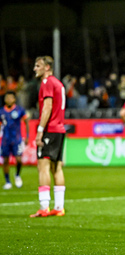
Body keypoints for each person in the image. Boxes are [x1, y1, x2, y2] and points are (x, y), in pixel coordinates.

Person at [30, 56, 66, 218]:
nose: (34, 69)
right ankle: (59, 207)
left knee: (42, 166)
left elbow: (47, 107)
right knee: (56, 167)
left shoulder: (47, 83)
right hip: (59, 129)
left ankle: (44, 207)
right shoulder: (59, 83)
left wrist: (39, 131)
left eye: (38, 66)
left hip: (50, 130)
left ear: (47, 68)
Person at [0, 91, 29, 189]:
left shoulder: (19, 110)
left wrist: (27, 136)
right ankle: (8, 181)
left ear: (14, 99)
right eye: (7, 98)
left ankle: (17, 175)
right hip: (5, 140)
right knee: (6, 161)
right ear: (5, 99)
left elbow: (26, 122)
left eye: (11, 98)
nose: (9, 100)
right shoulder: (1, 111)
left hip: (16, 139)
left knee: (19, 159)